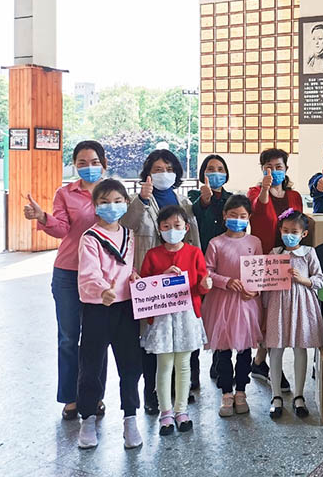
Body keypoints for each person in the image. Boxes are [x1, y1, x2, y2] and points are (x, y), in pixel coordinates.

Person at [23, 140, 108, 420]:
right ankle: (70, 397)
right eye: (82, 163)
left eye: (94, 162)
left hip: (102, 276)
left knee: (97, 338)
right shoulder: (65, 193)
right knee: (69, 338)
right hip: (69, 273)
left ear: (104, 164)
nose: (88, 167)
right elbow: (61, 229)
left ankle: (94, 396)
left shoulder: (113, 192)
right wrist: (42, 217)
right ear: (74, 165)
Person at [121, 149, 200, 414]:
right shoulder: (139, 199)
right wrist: (142, 200)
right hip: (152, 282)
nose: (163, 173)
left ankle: (179, 393)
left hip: (181, 283)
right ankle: (152, 394)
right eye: (157, 169)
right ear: (147, 173)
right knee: (152, 339)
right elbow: (126, 224)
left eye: (168, 169)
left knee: (181, 337)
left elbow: (193, 238)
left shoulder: (184, 201)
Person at [76, 179, 143, 450]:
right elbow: (89, 272)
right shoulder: (90, 238)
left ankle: (130, 418)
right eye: (104, 202)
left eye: (117, 201)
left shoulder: (129, 235)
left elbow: (128, 267)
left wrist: (134, 277)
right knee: (91, 364)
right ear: (95, 206)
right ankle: (88, 418)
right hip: (98, 308)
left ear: (126, 203)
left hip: (126, 307)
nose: (111, 207)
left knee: (130, 365)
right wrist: (103, 290)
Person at [139, 205, 211, 435]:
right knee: (164, 365)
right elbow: (144, 288)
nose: (172, 230)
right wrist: (162, 278)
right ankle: (166, 413)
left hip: (186, 316)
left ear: (186, 228)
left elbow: (201, 285)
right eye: (166, 226)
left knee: (183, 364)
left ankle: (181, 410)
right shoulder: (153, 255)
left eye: (177, 225)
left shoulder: (194, 253)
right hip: (162, 318)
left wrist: (205, 285)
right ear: (159, 229)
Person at [203, 195, 264, 417]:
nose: (237, 219)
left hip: (247, 303)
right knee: (223, 350)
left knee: (245, 349)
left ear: (249, 217)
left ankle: (241, 391)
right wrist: (226, 281)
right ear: (224, 216)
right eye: (233, 215)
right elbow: (207, 271)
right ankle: (226, 392)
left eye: (242, 216)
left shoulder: (254, 242)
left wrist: (256, 290)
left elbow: (261, 270)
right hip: (221, 302)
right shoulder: (216, 243)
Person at [247, 148, 301, 390]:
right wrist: (265, 189)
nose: (274, 171)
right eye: (268, 167)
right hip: (266, 262)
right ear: (262, 170)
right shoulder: (255, 192)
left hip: (289, 262)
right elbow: (258, 211)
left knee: (281, 315)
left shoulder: (294, 196)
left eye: (279, 167)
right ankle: (270, 366)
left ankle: (259, 362)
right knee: (268, 315)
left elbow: (300, 224)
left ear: (286, 169)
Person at [264, 209, 323, 419]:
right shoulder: (274, 253)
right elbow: (265, 281)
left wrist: (304, 280)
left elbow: (319, 279)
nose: (289, 234)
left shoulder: (308, 253)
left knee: (301, 348)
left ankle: (299, 395)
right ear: (280, 230)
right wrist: (264, 309)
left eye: (294, 231)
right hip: (278, 305)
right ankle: (276, 396)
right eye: (285, 230)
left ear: (303, 234)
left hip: (302, 304)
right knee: (276, 348)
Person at [188, 154, 233, 382]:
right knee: (196, 317)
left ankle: (219, 365)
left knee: (222, 318)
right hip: (198, 266)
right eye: (210, 169)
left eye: (220, 169)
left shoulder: (231, 199)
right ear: (202, 174)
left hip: (225, 267)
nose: (215, 173)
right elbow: (194, 216)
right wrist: (204, 201)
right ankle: (192, 372)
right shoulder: (192, 197)